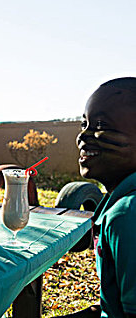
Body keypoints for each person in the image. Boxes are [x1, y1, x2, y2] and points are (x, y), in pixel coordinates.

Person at [63, 77, 136, 318]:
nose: (83, 136)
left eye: (101, 125)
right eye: (85, 124)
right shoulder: (117, 202)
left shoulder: (127, 215)